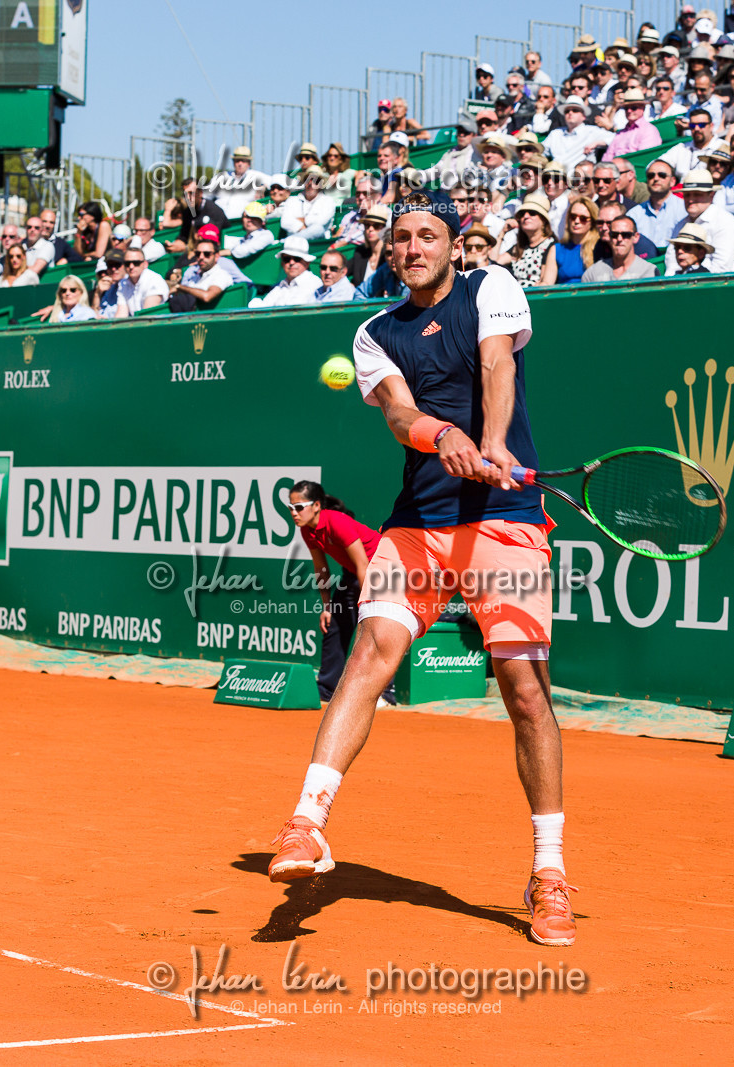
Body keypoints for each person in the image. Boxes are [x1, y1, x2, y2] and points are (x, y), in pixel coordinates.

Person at [265, 191, 576, 950]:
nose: (412, 247)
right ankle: (306, 823)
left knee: (525, 690)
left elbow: (498, 365)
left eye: (427, 235)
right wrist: (445, 437)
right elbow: (401, 416)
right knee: (369, 652)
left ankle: (549, 872)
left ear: (452, 243)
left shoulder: (492, 287)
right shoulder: (374, 332)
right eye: (399, 237)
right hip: (419, 528)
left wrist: (495, 444)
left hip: (505, 524)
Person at [288, 480, 394, 705]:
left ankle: (386, 693)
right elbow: (321, 568)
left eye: (299, 507)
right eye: (290, 507)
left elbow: (364, 565)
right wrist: (327, 606)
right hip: (354, 574)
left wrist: (370, 605)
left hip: (380, 567)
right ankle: (326, 690)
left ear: (316, 505)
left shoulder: (336, 522)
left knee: (376, 629)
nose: (293, 513)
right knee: (334, 622)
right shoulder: (307, 531)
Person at [664, 168, 734, 275]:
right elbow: (671, 264)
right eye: (687, 195)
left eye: (697, 194)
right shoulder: (681, 224)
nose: (690, 200)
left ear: (711, 195)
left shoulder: (725, 223)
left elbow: (721, 269)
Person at [496, 194, 558, 287]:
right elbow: (494, 262)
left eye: (532, 213)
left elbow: (546, 284)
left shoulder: (551, 245)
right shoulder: (520, 247)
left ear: (543, 220)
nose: (526, 216)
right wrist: (502, 233)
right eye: (522, 214)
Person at [628, 160, 688, 250]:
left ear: (672, 181)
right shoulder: (634, 214)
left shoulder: (684, 209)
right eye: (651, 175)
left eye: (662, 175)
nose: (656, 178)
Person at [169, 232, 235, 312]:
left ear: (216, 256)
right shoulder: (194, 276)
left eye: (207, 254)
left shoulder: (221, 275)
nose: (201, 257)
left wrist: (180, 287)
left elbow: (207, 296)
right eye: (198, 253)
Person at [544, 97, 614, 169]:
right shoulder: (555, 133)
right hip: (556, 176)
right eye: (567, 111)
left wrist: (597, 143)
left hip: (580, 177)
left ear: (583, 116)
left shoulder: (592, 131)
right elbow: (542, 151)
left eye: (575, 110)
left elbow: (616, 138)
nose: (570, 113)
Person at [250, 236, 320, 309]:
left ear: (307, 263)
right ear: (282, 263)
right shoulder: (281, 285)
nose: (291, 263)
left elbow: (293, 310)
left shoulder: (313, 283)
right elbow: (263, 306)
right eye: (287, 259)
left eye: (297, 259)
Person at [583, 214, 657, 281]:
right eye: (614, 235)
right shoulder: (592, 274)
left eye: (625, 235)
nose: (619, 239)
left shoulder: (649, 271)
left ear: (636, 237)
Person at [164, 179, 228, 254]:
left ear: (200, 193)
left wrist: (186, 248)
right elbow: (184, 237)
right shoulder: (187, 212)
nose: (188, 197)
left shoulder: (214, 211)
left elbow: (211, 243)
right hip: (195, 251)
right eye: (185, 194)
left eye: (191, 193)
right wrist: (174, 246)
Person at [207, 147, 271, 219]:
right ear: (233, 162)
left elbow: (277, 182)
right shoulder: (221, 177)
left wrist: (264, 186)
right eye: (237, 161)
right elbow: (205, 196)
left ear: (249, 163)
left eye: (243, 161)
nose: (240, 164)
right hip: (217, 220)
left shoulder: (256, 176)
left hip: (241, 223)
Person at [553, 195, 602, 283]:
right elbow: (547, 282)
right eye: (573, 216)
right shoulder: (557, 249)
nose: (576, 221)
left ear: (592, 222)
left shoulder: (599, 247)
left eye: (583, 218)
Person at [280, 169, 338, 238]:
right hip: (295, 243)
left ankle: (289, 241)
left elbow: (320, 222)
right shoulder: (292, 200)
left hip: (318, 243)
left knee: (317, 229)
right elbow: (284, 222)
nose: (310, 183)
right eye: (307, 180)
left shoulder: (328, 201)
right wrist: (302, 226)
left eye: (315, 181)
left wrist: (303, 220)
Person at [114, 247, 168, 315]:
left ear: (145, 264)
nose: (131, 266)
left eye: (136, 263)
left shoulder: (154, 280)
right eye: (127, 263)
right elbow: (121, 315)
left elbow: (148, 316)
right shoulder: (123, 283)